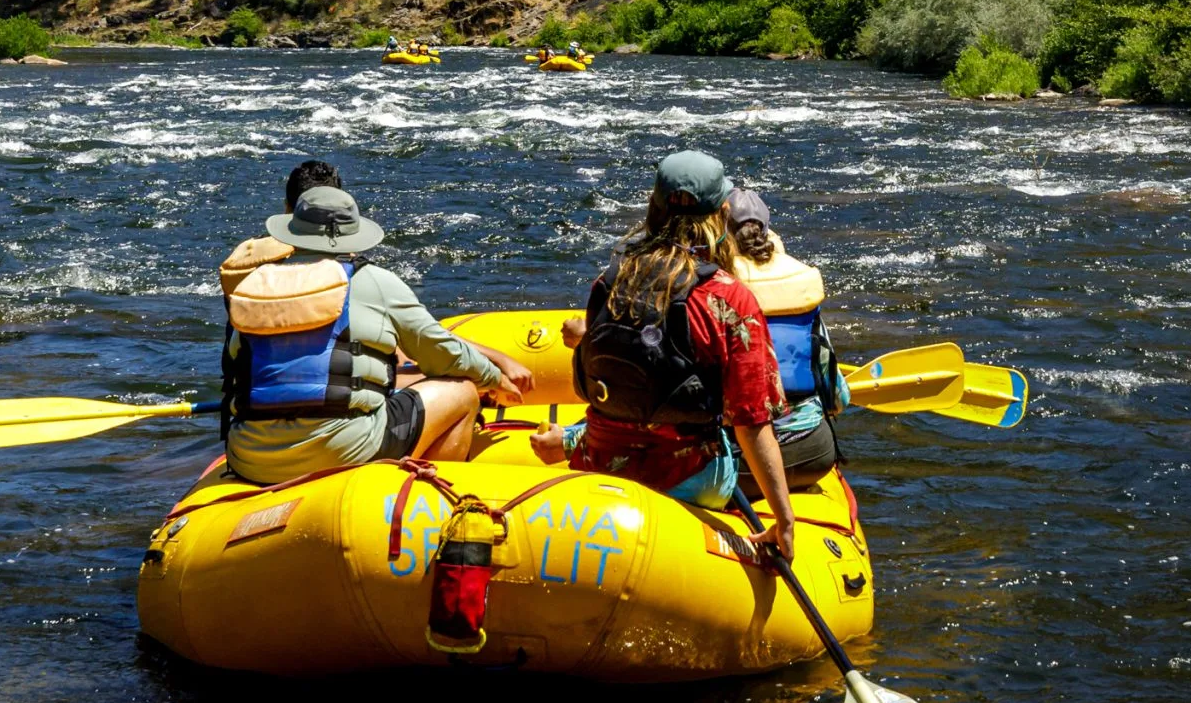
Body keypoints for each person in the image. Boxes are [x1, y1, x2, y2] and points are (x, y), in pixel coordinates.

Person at [530, 151, 796, 557]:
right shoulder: (729, 298)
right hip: (687, 476)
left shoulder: (611, 279)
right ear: (722, 214)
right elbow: (752, 420)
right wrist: (785, 521)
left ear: (653, 207)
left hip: (598, 464)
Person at [222, 181, 535, 486]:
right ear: (352, 235)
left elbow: (240, 364)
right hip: (342, 450)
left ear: (293, 231)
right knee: (463, 391)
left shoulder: (257, 284)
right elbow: (442, 354)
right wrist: (493, 379)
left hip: (250, 456)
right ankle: (429, 502)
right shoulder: (373, 280)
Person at [725, 188, 846, 491]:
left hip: (746, 464)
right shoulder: (801, 289)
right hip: (815, 452)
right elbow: (838, 399)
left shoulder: (718, 289)